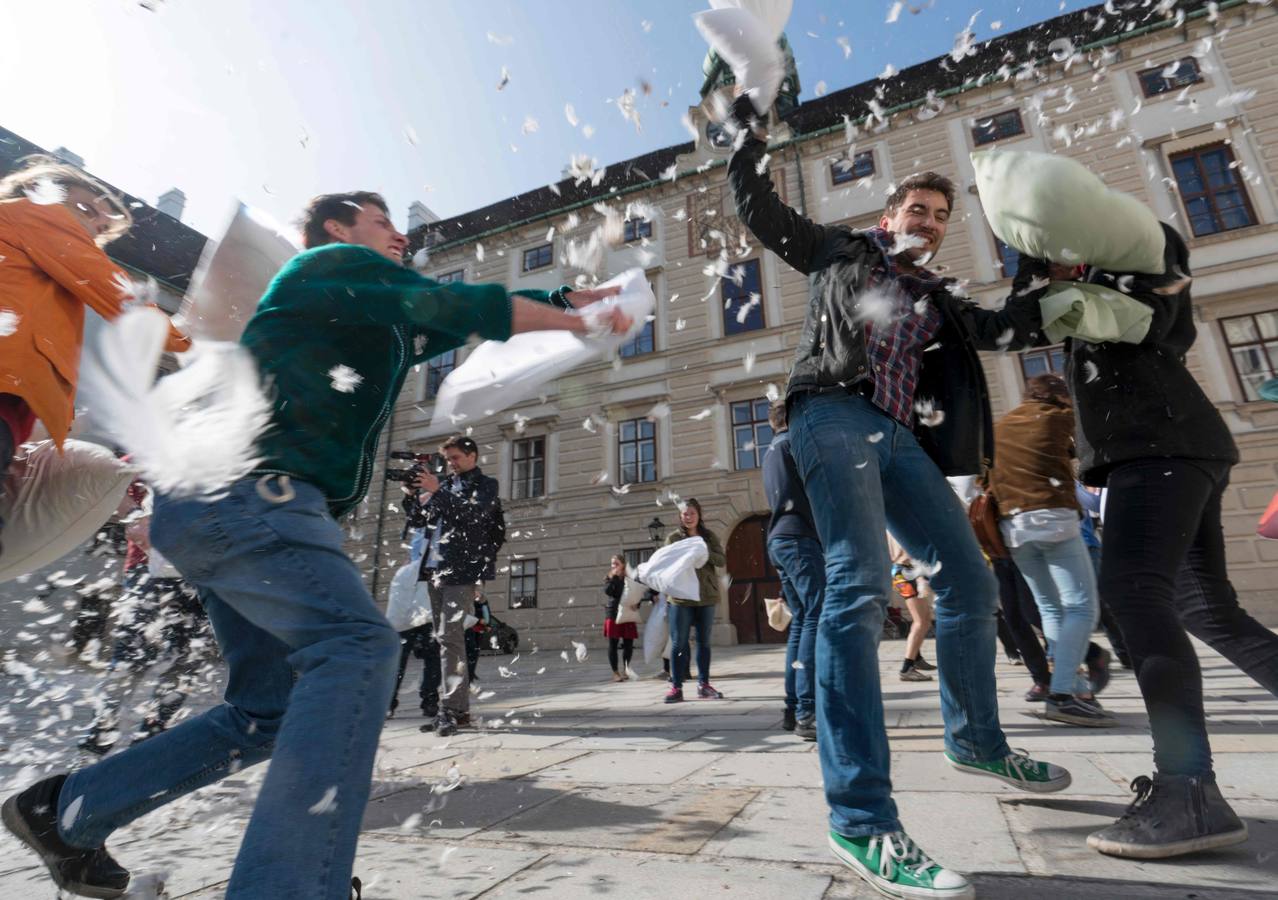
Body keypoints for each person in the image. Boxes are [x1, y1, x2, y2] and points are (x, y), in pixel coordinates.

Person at [2, 190, 629, 900]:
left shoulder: (369, 310)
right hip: (255, 497)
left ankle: (66, 812)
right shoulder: (328, 265)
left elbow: (436, 324)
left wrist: (556, 294)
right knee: (358, 647)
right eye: (380, 222)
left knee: (265, 710)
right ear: (337, 229)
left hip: (224, 504)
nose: (398, 234)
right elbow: (450, 307)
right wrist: (575, 319)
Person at [727, 94, 1071, 899]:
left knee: (973, 580)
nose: (930, 220)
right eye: (918, 208)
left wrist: (1031, 260)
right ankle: (861, 820)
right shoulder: (841, 253)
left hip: (899, 437)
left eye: (942, 214)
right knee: (856, 588)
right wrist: (749, 138)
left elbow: (1007, 331)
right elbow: (758, 209)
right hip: (829, 414)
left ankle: (976, 740)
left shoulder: (939, 295)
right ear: (889, 215)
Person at [1042, 229, 1278, 858]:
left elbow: (1160, 313)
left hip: (1159, 446)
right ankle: (1189, 788)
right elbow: (1027, 320)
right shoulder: (1073, 285)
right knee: (1205, 609)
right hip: (1171, 447)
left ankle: (1189, 791)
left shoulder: (1136, 250)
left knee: (1134, 594)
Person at [0, 156, 189, 547]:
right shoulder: (37, 214)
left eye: (103, 225)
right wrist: (196, 341)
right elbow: (118, 294)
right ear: (41, 189)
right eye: (86, 208)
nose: (93, 224)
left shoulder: (36, 247)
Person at [988, 374, 1114, 727]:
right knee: (1082, 608)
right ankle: (1062, 695)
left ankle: (1070, 688)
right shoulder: (1059, 417)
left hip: (1012, 528)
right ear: (1060, 397)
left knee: (1049, 609)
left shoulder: (1001, 427)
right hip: (1052, 520)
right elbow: (1090, 449)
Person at [80, 481, 216, 754]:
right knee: (132, 652)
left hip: (204, 568)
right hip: (148, 565)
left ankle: (152, 737)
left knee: (189, 656)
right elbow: (113, 481)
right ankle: (99, 734)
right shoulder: (151, 447)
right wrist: (134, 517)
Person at [403, 434, 506, 737]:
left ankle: (451, 710)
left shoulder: (486, 485)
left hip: (461, 570)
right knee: (444, 638)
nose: (451, 464)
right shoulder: (445, 485)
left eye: (456, 458)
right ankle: (454, 711)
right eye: (448, 459)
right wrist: (411, 494)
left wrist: (437, 490)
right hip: (435, 569)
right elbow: (420, 522)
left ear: (472, 456)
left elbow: (473, 517)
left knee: (451, 638)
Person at [763, 401, 823, 740]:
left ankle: (792, 707)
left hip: (779, 538)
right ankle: (807, 711)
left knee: (800, 621)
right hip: (799, 537)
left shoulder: (771, 450)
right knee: (814, 615)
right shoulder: (793, 444)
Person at [663, 498, 726, 703]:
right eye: (684, 514)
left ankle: (704, 685)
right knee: (679, 644)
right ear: (680, 517)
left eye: (692, 513)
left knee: (703, 642)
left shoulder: (709, 537)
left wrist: (704, 553)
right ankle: (676, 687)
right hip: (681, 598)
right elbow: (666, 565)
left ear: (699, 515)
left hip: (706, 596)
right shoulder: (673, 538)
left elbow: (721, 560)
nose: (688, 517)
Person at [888, 533, 937, 683]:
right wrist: (920, 578)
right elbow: (912, 552)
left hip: (899, 571)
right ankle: (907, 668)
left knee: (924, 619)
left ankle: (917, 658)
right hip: (907, 572)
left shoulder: (887, 524)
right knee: (921, 622)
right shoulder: (900, 524)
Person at [603, 555, 637, 681]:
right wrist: (614, 577)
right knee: (613, 643)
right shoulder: (610, 577)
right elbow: (609, 592)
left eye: (616, 563)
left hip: (628, 611)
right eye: (612, 563)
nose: (614, 566)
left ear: (623, 564)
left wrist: (636, 604)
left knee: (629, 643)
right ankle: (615, 673)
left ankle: (626, 669)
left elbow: (636, 592)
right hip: (613, 612)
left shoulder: (630, 577)